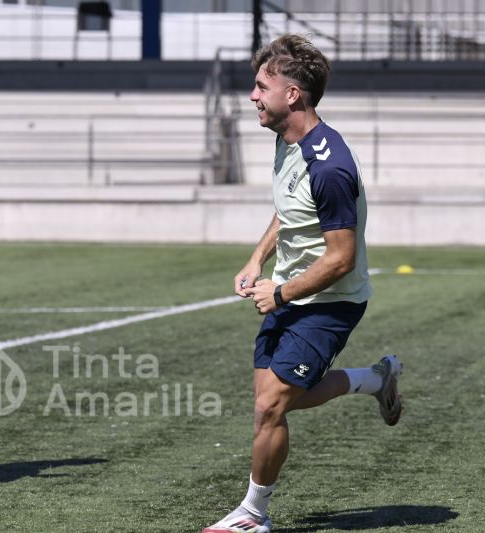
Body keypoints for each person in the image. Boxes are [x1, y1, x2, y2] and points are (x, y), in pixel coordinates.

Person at [202, 34, 403, 533]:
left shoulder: (330, 166)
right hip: (292, 289)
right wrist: (256, 259)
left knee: (272, 404)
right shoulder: (285, 139)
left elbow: (342, 257)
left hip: (330, 300)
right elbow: (290, 210)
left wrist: (280, 292)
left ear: (292, 95)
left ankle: (253, 514)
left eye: (260, 85)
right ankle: (374, 380)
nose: (252, 96)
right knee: (272, 398)